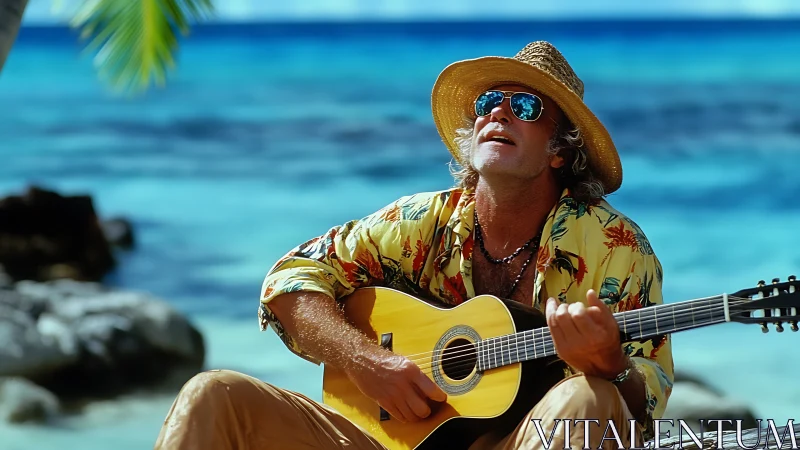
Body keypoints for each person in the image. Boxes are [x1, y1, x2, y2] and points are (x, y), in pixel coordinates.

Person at [154, 41, 674, 450]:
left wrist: (609, 365)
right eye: (488, 103)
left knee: (588, 397)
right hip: (386, 442)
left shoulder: (616, 247)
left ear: (561, 150)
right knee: (212, 395)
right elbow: (291, 278)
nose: (498, 115)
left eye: (525, 106)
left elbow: (639, 414)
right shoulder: (422, 221)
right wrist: (365, 362)